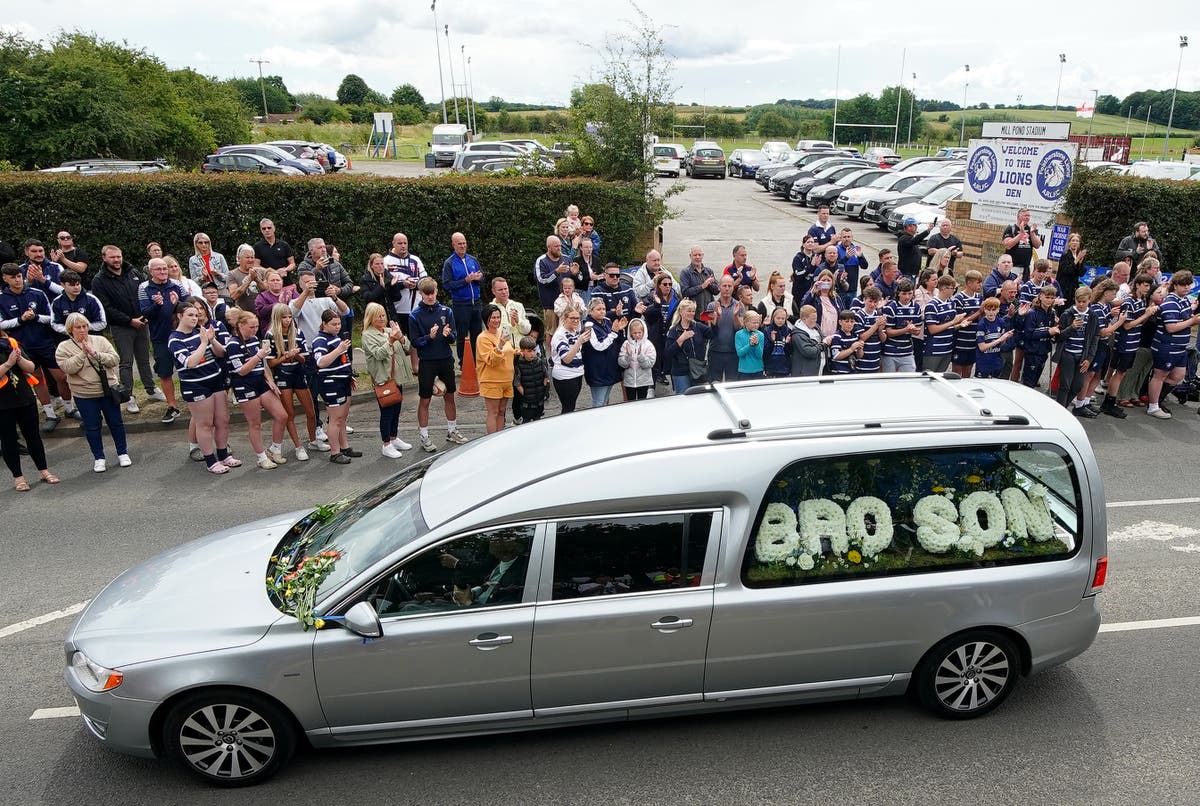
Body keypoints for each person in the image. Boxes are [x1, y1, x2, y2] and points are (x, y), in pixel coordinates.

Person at [0, 263, 77, 429]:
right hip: (23, 347)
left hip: (44, 342)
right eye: (13, 277)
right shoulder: (2, 299)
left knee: (62, 376)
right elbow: (2, 325)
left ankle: (69, 408)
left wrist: (34, 317)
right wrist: (21, 320)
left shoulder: (37, 293)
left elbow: (51, 317)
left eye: (19, 276)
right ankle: (50, 414)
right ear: (5, 278)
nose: (17, 280)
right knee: (37, 379)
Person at [92, 245, 162, 413]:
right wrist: (129, 321)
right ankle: (129, 396)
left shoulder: (133, 272)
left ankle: (151, 389)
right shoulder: (99, 280)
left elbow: (144, 294)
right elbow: (106, 307)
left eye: (119, 256)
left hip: (142, 322)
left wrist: (144, 316)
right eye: (112, 257)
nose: (116, 260)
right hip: (121, 327)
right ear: (104, 258)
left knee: (144, 359)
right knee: (126, 362)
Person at [169, 301, 235, 474]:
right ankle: (211, 461)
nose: (194, 318)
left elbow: (221, 353)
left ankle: (223, 455)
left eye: (196, 315)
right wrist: (204, 343)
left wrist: (212, 340)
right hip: (196, 385)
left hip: (215, 379)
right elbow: (190, 363)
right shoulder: (175, 339)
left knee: (222, 420)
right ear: (179, 316)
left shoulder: (201, 332)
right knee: (204, 423)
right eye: (190, 315)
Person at [225, 309, 291, 469]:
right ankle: (261, 457)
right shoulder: (233, 345)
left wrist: (270, 381)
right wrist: (258, 356)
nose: (254, 330)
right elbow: (241, 370)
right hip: (245, 385)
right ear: (240, 325)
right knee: (255, 423)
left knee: (282, 415)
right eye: (251, 327)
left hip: (261, 382)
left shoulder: (254, 339)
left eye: (256, 326)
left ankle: (275, 449)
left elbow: (262, 366)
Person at [409, 277, 468, 450]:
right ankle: (424, 436)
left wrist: (448, 335)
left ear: (436, 292)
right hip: (427, 362)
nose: (430, 296)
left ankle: (452, 431)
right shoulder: (415, 316)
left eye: (432, 293)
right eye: (426, 294)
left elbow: (454, 336)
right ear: (420, 294)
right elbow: (414, 341)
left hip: (445, 360)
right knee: (425, 400)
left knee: (449, 396)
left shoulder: (446, 311)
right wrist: (430, 337)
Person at [265, 303, 323, 461]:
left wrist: (295, 354)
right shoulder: (270, 335)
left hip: (298, 373)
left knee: (310, 412)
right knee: (289, 413)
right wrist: (285, 356)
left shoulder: (297, 332)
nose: (288, 320)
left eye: (290, 317)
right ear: (277, 318)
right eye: (284, 317)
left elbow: (304, 358)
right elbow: (270, 363)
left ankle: (313, 441)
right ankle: (298, 446)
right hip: (282, 375)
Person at [0, 333, 58, 490]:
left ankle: (44, 471)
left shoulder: (10, 342)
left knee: (33, 436)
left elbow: (31, 368)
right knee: (8, 440)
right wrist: (8, 364)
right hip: (2, 404)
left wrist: (18, 358)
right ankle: (18, 478)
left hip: (24, 397)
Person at [361, 301, 414, 456]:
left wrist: (401, 338)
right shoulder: (367, 336)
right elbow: (378, 354)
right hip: (383, 378)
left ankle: (394, 437)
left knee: (397, 410)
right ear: (370, 318)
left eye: (383, 315)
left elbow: (407, 348)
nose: (382, 319)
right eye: (378, 317)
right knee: (387, 412)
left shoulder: (390, 330)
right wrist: (390, 341)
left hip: (397, 376)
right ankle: (386, 444)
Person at [138, 257, 186, 424]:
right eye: (158, 269)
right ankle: (172, 406)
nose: (163, 272)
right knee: (165, 372)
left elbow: (188, 307)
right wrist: (157, 305)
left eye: (165, 268)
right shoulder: (144, 288)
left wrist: (176, 304)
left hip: (182, 334)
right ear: (151, 271)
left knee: (187, 367)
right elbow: (145, 313)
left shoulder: (177, 284)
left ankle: (191, 399)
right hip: (161, 336)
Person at [1146, 271, 1200, 419]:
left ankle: (1158, 399)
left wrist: (1192, 317)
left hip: (1180, 347)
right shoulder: (1170, 302)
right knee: (1159, 375)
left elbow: (1186, 318)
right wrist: (1193, 321)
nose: (1187, 287)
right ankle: (1153, 406)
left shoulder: (1183, 300)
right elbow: (1171, 327)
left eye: (1189, 284)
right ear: (1175, 285)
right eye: (1183, 285)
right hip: (1166, 345)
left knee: (1178, 375)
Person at [311, 308, 359, 463]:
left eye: (339, 324)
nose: (337, 327)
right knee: (335, 419)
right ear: (324, 324)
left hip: (343, 380)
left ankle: (344, 447)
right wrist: (339, 350)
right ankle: (335, 452)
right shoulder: (320, 340)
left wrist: (349, 375)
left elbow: (343, 360)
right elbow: (320, 362)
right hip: (330, 382)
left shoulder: (336, 337)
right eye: (333, 324)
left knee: (343, 418)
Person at [1052, 286, 1100, 416]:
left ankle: (1062, 410)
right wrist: (1071, 327)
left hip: (1082, 356)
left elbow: (1095, 338)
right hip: (1067, 353)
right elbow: (1060, 336)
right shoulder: (1067, 314)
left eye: (1084, 301)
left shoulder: (1092, 316)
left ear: (1089, 300)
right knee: (1065, 385)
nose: (1081, 304)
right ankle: (1060, 413)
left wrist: (1089, 359)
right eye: (1078, 301)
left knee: (1078, 386)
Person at [1081, 280, 1124, 418]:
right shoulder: (1097, 308)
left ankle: (1086, 401)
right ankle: (1080, 403)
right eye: (1113, 293)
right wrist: (1119, 322)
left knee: (1097, 374)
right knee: (1089, 374)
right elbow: (1102, 331)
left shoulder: (1105, 307)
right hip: (1097, 344)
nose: (1115, 296)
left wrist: (1110, 315)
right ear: (1105, 293)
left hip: (1103, 345)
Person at [382, 233, 427, 361]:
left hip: (415, 307)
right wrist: (403, 284)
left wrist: (416, 284)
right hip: (397, 308)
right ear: (393, 244)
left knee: (415, 338)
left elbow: (425, 279)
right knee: (397, 339)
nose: (403, 246)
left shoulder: (416, 260)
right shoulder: (386, 261)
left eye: (405, 243)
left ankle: (416, 367)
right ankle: (399, 368)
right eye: (400, 243)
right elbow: (386, 284)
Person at [442, 232, 484, 367]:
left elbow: (482, 278)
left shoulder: (473, 260)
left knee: (477, 334)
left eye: (464, 243)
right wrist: (465, 281)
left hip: (476, 302)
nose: (462, 246)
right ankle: (463, 363)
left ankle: (477, 360)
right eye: (459, 243)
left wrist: (478, 279)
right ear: (453, 245)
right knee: (462, 335)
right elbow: (447, 284)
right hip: (461, 303)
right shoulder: (449, 263)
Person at [298, 238, 355, 337]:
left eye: (324, 246)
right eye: (320, 247)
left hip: (337, 308)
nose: (324, 249)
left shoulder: (335, 264)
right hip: (317, 310)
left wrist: (339, 291)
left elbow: (349, 284)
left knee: (344, 340)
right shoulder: (304, 266)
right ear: (312, 251)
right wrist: (316, 270)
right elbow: (302, 287)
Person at [475, 303, 517, 432]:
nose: (496, 320)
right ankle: (490, 440)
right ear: (486, 320)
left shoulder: (502, 333)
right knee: (493, 412)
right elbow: (491, 360)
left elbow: (510, 351)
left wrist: (521, 352)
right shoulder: (482, 338)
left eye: (498, 317)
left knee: (502, 412)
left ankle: (499, 438)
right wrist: (500, 345)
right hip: (492, 381)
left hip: (507, 380)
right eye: (492, 318)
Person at [582, 297, 623, 407]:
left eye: (604, 309)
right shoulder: (588, 326)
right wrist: (614, 333)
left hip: (609, 368)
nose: (602, 311)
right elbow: (598, 346)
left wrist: (620, 330)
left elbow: (615, 341)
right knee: (599, 403)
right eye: (598, 309)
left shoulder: (607, 321)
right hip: (597, 371)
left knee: (605, 401)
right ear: (591, 311)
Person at [663, 300, 711, 394]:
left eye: (693, 311)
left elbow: (712, 334)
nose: (691, 313)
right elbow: (668, 353)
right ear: (681, 312)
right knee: (683, 400)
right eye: (689, 311)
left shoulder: (698, 326)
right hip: (681, 372)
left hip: (697, 371)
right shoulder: (674, 330)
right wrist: (681, 339)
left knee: (700, 399)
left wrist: (713, 322)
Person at [1020, 285, 1062, 388]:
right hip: (1033, 352)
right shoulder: (1032, 313)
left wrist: (1055, 330)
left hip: (1044, 351)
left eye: (1052, 298)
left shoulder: (1052, 313)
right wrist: (1049, 331)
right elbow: (1029, 334)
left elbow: (1053, 332)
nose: (1049, 300)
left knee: (1035, 381)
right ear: (1040, 296)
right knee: (1028, 383)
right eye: (1047, 297)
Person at [642, 272, 680, 385]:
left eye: (669, 284)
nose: (668, 286)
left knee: (668, 357)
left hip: (669, 332)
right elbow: (648, 316)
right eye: (664, 284)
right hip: (655, 333)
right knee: (655, 359)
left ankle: (663, 375)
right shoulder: (651, 297)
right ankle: (652, 383)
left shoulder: (676, 298)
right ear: (658, 285)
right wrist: (657, 305)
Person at [704, 275, 743, 383]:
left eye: (729, 286)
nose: (726, 288)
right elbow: (711, 330)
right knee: (714, 384)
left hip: (733, 351)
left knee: (732, 384)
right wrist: (718, 316)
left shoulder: (739, 306)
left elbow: (739, 329)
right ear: (719, 287)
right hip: (715, 351)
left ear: (733, 288)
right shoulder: (712, 305)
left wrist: (735, 316)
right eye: (724, 286)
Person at [923, 275, 964, 373]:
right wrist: (953, 322)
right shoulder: (932, 305)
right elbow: (932, 330)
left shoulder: (951, 303)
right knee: (929, 378)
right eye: (952, 288)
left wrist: (960, 325)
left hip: (947, 349)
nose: (954, 291)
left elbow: (949, 328)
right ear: (943, 288)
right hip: (934, 351)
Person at [550, 308, 588, 412]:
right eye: (572, 318)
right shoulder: (559, 335)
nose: (576, 321)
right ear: (564, 319)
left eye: (578, 318)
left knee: (571, 407)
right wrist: (579, 342)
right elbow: (567, 358)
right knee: (568, 408)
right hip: (565, 377)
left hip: (577, 374)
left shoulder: (574, 331)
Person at [535, 234, 571, 342]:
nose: (559, 248)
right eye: (556, 246)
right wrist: (556, 272)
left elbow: (572, 279)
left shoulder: (566, 258)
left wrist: (576, 273)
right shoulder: (541, 261)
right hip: (551, 304)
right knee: (551, 332)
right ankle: (550, 357)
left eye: (560, 245)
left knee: (568, 331)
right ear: (549, 247)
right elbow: (542, 280)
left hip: (567, 303)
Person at [883, 279, 922, 373]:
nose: (907, 297)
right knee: (889, 383)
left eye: (910, 293)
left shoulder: (916, 308)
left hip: (907, 351)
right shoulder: (891, 307)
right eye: (904, 294)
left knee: (908, 380)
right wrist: (905, 329)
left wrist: (913, 330)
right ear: (898, 293)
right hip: (890, 352)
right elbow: (888, 332)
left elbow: (918, 331)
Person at [50, 270, 106, 335]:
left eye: (78, 284)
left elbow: (102, 323)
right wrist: (70, 330)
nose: (76, 287)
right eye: (71, 285)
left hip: (92, 337)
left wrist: (82, 328)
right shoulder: (57, 302)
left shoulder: (92, 300)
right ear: (62, 285)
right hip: (68, 339)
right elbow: (55, 324)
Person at [951, 270, 984, 378]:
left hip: (973, 341)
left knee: (968, 372)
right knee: (956, 372)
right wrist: (978, 312)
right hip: (960, 342)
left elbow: (980, 318)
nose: (980, 285)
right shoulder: (958, 299)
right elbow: (960, 321)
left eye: (981, 282)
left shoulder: (979, 298)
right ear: (969, 283)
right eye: (978, 282)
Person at [974, 297, 1014, 380]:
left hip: (996, 361)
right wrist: (999, 339)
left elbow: (1001, 343)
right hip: (984, 362)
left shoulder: (1001, 322)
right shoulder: (982, 325)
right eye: (988, 310)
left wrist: (1005, 337)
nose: (991, 312)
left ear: (998, 310)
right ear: (984, 310)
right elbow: (982, 347)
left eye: (993, 309)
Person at [618, 318, 657, 400]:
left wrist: (640, 355)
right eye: (634, 333)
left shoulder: (648, 345)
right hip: (629, 382)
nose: (637, 335)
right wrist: (628, 356)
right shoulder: (626, 344)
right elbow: (622, 363)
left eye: (639, 332)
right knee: (631, 402)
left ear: (644, 332)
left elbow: (650, 364)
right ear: (630, 333)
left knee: (642, 402)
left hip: (644, 381)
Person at [513, 336, 550, 423]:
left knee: (538, 421)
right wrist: (525, 393)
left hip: (539, 401)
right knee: (526, 423)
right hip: (527, 404)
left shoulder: (539, 362)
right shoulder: (519, 365)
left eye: (534, 350)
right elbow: (517, 383)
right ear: (522, 351)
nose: (532, 353)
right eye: (529, 351)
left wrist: (543, 390)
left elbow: (546, 376)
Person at [800, 268, 843, 340]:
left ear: (832, 282)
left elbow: (842, 313)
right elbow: (803, 307)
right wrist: (812, 292)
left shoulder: (836, 297)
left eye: (828, 280)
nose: (826, 282)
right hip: (818, 335)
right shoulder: (813, 295)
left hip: (834, 335)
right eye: (823, 280)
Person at [489, 277, 530, 349]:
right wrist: (511, 325)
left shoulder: (518, 305)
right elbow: (491, 334)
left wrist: (518, 321)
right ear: (493, 291)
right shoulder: (490, 309)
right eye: (500, 290)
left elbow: (526, 331)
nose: (504, 292)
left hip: (521, 350)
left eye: (505, 289)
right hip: (504, 351)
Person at [853, 287, 887, 374]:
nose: (872, 304)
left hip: (875, 359)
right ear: (864, 300)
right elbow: (862, 337)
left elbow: (883, 339)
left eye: (875, 302)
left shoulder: (879, 315)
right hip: (863, 362)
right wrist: (876, 325)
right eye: (870, 301)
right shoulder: (859, 315)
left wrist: (880, 330)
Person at [1002, 208, 1042, 281]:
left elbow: (1037, 245)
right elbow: (1007, 245)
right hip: (1013, 267)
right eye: (1025, 215)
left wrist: (1032, 233)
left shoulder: (1031, 229)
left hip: (1026, 268)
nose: (1027, 217)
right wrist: (1021, 234)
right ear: (1018, 216)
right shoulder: (1011, 228)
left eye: (1029, 216)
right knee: (1011, 288)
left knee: (1023, 289)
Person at [227, 244, 267, 313]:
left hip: (262, 313)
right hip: (243, 314)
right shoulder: (232, 274)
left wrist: (257, 279)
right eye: (247, 257)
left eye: (252, 257)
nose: (250, 260)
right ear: (239, 259)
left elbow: (268, 290)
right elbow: (234, 295)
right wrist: (249, 280)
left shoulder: (262, 271)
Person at [254, 269, 296, 336]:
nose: (275, 282)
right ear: (267, 283)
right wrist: (278, 304)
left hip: (290, 331)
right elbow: (260, 312)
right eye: (272, 280)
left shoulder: (291, 293)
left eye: (278, 280)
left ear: (282, 282)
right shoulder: (262, 296)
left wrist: (291, 302)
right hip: (272, 332)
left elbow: (299, 306)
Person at [680, 246, 718, 315]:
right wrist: (702, 286)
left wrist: (710, 285)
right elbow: (685, 292)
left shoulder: (709, 271)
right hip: (693, 314)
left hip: (708, 313)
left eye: (699, 255)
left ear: (702, 256)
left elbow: (717, 291)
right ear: (690, 256)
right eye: (695, 255)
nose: (697, 257)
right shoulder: (685, 272)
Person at [825, 310, 863, 374]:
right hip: (839, 373)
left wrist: (860, 348)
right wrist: (851, 349)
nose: (849, 324)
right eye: (846, 321)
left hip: (852, 371)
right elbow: (836, 356)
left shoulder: (855, 335)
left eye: (852, 321)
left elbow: (859, 356)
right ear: (840, 322)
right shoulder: (837, 336)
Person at [790, 305, 823, 377]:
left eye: (816, 318)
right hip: (804, 373)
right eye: (813, 319)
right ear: (804, 319)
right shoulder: (797, 335)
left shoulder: (816, 327)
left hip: (818, 368)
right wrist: (823, 345)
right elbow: (809, 351)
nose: (815, 321)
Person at [790, 235, 821, 309]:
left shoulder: (816, 256)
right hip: (800, 291)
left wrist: (817, 266)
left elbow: (818, 273)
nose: (810, 244)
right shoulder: (798, 258)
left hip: (812, 291)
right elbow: (798, 274)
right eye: (808, 242)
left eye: (812, 242)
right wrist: (812, 265)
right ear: (803, 244)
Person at [761, 306, 792, 379]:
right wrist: (772, 341)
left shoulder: (788, 331)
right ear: (773, 318)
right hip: (771, 368)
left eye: (783, 318)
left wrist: (787, 343)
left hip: (784, 368)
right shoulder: (767, 330)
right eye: (778, 318)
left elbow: (790, 352)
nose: (780, 320)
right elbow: (765, 352)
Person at [1056, 232, 1087, 298]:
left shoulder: (1079, 256)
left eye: (1077, 241)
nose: (1075, 243)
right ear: (1069, 243)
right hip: (1064, 287)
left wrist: (1080, 263)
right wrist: (1076, 260)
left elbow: (1081, 273)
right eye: (1073, 240)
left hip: (1073, 287)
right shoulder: (1065, 255)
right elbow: (1067, 270)